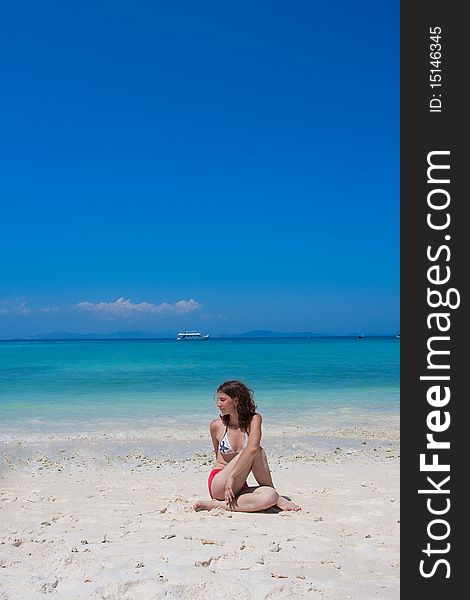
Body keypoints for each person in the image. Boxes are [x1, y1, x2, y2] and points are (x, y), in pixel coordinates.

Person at [193, 380, 301, 512]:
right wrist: (231, 476)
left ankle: (216, 505)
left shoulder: (254, 420)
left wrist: (234, 477)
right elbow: (219, 459)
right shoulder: (216, 426)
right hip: (220, 483)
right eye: (218, 400)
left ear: (236, 401)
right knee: (255, 450)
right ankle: (277, 500)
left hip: (238, 483)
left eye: (222, 400)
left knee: (269, 496)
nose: (218, 404)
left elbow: (253, 448)